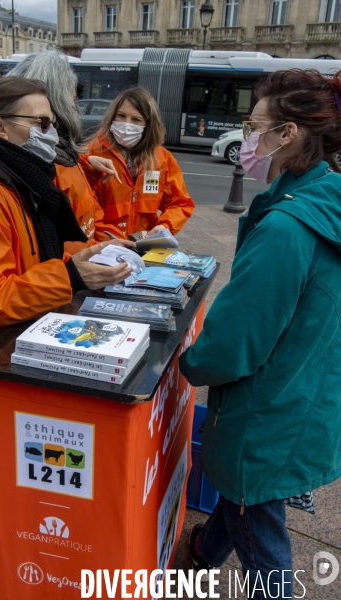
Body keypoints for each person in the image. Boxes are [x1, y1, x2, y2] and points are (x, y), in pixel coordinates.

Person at [0, 70, 134, 600]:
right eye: (41, 122)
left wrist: (80, 257)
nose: (53, 131)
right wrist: (70, 276)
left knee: (10, 466)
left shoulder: (13, 175)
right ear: (0, 126)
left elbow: (29, 258)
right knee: (6, 470)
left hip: (22, 344)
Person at [179, 68, 341, 599]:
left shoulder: (285, 228)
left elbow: (231, 345)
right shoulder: (327, 198)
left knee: (259, 521)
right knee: (246, 496)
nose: (248, 138)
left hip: (266, 414)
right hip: (306, 396)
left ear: (287, 133)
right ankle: (202, 553)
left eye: (254, 125)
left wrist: (187, 360)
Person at [7, 50, 121, 255]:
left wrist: (118, 243)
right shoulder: (38, 163)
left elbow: (88, 219)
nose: (75, 108)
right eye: (72, 99)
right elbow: (54, 243)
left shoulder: (65, 155)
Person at [85, 86, 195, 241]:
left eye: (136, 119)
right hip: (103, 248)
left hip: (143, 246)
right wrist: (113, 240)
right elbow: (87, 210)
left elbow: (180, 203)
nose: (126, 124)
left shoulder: (162, 159)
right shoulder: (93, 154)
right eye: (121, 116)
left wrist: (165, 225)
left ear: (148, 126)